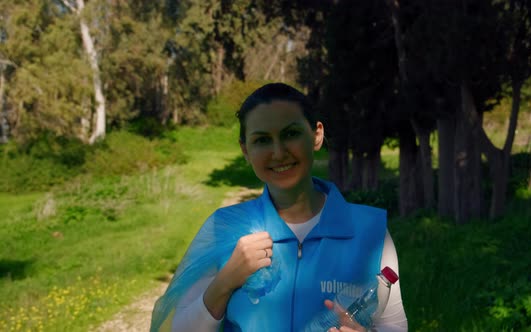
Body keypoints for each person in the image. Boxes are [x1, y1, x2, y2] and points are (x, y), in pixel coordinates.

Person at [150, 83, 407, 332]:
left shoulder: (370, 232)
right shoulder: (224, 228)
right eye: (262, 140)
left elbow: (393, 326)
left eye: (291, 134)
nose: (278, 152)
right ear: (245, 150)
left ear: (316, 135)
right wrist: (225, 282)